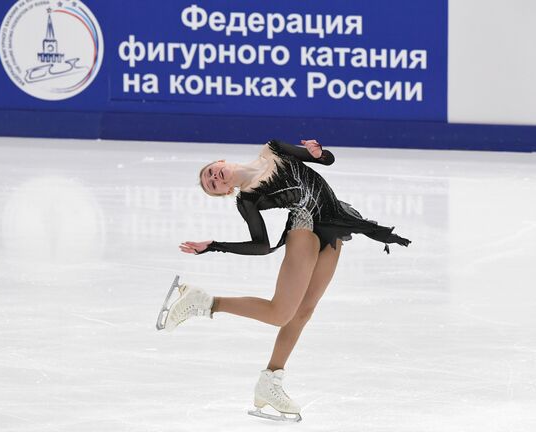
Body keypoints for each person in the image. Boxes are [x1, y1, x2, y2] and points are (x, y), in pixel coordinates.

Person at [158, 139, 411, 422]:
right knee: (281, 313)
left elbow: (324, 160)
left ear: (221, 161)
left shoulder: (272, 148)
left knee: (304, 312)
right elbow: (261, 245)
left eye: (211, 173)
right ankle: (205, 302)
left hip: (334, 222)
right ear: (226, 191)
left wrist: (319, 153)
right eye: (213, 185)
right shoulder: (248, 199)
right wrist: (215, 245)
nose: (214, 178)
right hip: (304, 227)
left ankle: (270, 381)